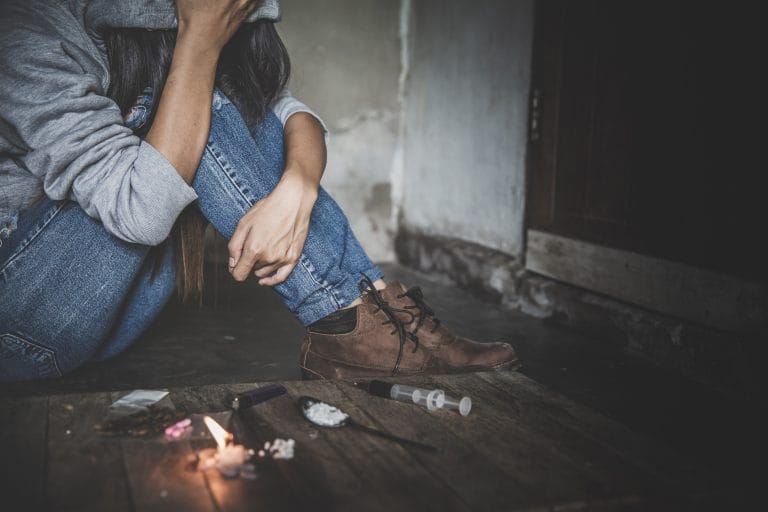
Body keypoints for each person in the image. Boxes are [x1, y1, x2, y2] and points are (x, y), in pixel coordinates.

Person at [0, 0, 518, 382]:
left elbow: (290, 115)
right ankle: (346, 319)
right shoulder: (26, 27)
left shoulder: (160, 30)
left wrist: (298, 188)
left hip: (109, 319)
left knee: (209, 99)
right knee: (187, 102)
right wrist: (199, 42)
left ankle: (366, 309)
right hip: (20, 325)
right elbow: (141, 210)